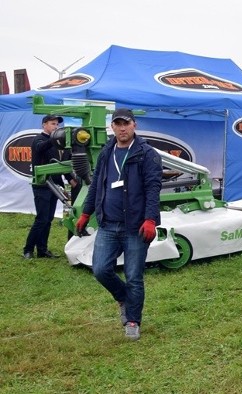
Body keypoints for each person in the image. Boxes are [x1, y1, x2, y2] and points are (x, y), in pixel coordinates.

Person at [75, 108, 162, 341]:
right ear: (112, 127)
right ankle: (124, 297)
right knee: (101, 269)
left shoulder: (147, 154)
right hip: (108, 225)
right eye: (117, 124)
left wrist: (150, 219)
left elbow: (153, 189)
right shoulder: (106, 152)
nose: (122, 128)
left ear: (134, 125)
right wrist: (85, 213)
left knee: (134, 276)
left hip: (135, 226)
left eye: (126, 123)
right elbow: (96, 186)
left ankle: (132, 320)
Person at [23, 114, 74, 259]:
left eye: (57, 125)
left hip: (55, 186)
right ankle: (28, 249)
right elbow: (40, 148)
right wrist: (56, 138)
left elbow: (60, 165)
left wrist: (69, 180)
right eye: (53, 124)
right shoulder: (39, 140)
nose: (56, 127)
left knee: (48, 219)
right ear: (44, 125)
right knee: (41, 219)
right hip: (42, 185)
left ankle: (42, 250)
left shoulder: (58, 144)